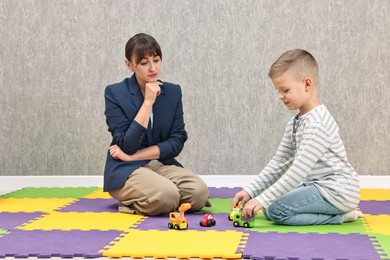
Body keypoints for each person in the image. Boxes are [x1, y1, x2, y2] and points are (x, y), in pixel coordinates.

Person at [232, 49, 363, 225]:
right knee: (270, 208)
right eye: (278, 91)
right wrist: (250, 191)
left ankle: (342, 216)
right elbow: (279, 162)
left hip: (337, 191)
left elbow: (297, 172)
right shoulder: (296, 122)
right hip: (317, 186)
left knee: (276, 210)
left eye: (285, 90)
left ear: (307, 85)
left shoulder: (317, 124)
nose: (280, 96)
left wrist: (262, 200)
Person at [103, 33, 210, 216]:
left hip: (159, 163)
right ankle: (133, 201)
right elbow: (127, 145)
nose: (153, 68)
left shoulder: (173, 91)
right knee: (167, 196)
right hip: (125, 169)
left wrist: (133, 156)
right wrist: (148, 102)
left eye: (156, 60)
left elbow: (177, 140)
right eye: (144, 63)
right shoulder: (114, 93)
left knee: (199, 194)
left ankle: (158, 197)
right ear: (129, 65)